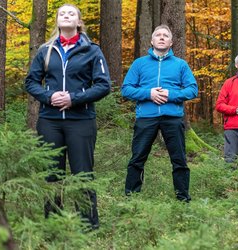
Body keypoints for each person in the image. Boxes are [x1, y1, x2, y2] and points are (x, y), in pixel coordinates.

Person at [25, 4, 111, 229]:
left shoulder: (92, 50)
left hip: (81, 121)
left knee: (82, 173)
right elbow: (31, 82)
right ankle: (53, 222)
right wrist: (49, 96)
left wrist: (73, 98)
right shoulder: (46, 50)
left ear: (79, 22)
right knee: (51, 173)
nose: (66, 15)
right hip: (49, 121)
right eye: (62, 13)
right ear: (57, 21)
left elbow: (103, 85)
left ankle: (88, 225)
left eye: (71, 13)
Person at [122, 25, 198, 202]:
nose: (162, 38)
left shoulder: (180, 64)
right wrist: (149, 94)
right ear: (152, 40)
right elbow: (126, 89)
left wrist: (171, 95)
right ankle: (131, 198)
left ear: (171, 42)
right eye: (158, 35)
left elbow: (192, 90)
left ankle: (183, 199)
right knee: (137, 158)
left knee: (179, 160)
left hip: (172, 117)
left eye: (165, 36)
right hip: (146, 118)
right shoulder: (139, 64)